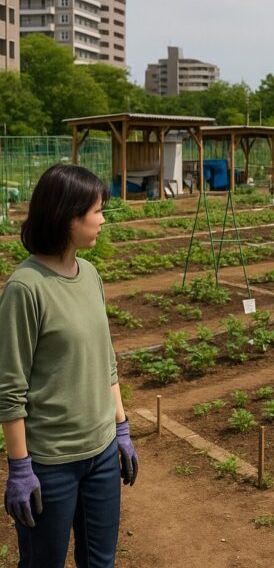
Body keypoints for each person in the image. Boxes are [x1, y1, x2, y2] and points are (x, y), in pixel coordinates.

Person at [0, 164, 138, 567]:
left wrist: (121, 427)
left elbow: (105, 359)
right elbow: (10, 387)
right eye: (97, 210)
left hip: (100, 453)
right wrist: (20, 468)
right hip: (50, 464)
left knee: (101, 562)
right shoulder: (25, 289)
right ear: (68, 215)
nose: (103, 219)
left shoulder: (90, 274)